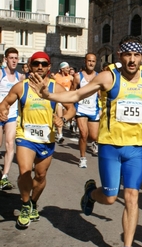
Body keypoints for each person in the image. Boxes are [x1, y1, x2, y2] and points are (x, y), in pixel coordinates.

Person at [28, 36, 142, 246]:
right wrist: (47, 95)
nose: (132, 60)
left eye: (136, 55)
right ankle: (90, 194)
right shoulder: (109, 77)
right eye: (128, 55)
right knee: (109, 198)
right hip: (110, 147)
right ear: (120, 55)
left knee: (132, 198)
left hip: (135, 147)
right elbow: (76, 95)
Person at [0, 51, 75, 227]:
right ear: (30, 66)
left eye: (43, 64)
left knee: (40, 176)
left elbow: (71, 108)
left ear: (49, 67)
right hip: (25, 136)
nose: (39, 67)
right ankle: (25, 204)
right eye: (36, 64)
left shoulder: (55, 88)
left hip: (46, 138)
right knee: (25, 171)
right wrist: (3, 111)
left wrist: (63, 119)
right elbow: (5, 103)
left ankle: (33, 202)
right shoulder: (20, 87)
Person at [0, 47, 25, 190]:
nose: (14, 61)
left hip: (12, 115)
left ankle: (5, 176)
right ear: (5, 59)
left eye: (16, 58)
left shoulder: (20, 77)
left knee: (10, 144)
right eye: (11, 58)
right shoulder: (0, 74)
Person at [72, 53, 100, 168]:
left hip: (93, 109)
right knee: (84, 134)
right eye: (89, 61)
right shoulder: (78, 76)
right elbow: (72, 92)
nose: (91, 63)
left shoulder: (99, 77)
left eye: (93, 61)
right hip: (81, 108)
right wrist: (72, 109)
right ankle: (83, 158)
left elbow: (101, 93)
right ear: (85, 61)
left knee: (94, 136)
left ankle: (92, 144)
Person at [54, 62, 73, 144]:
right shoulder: (55, 77)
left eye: (69, 68)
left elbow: (74, 86)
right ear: (62, 69)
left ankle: (70, 123)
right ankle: (60, 134)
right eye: (67, 68)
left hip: (67, 99)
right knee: (60, 116)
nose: (68, 70)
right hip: (59, 99)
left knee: (67, 115)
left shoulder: (70, 77)